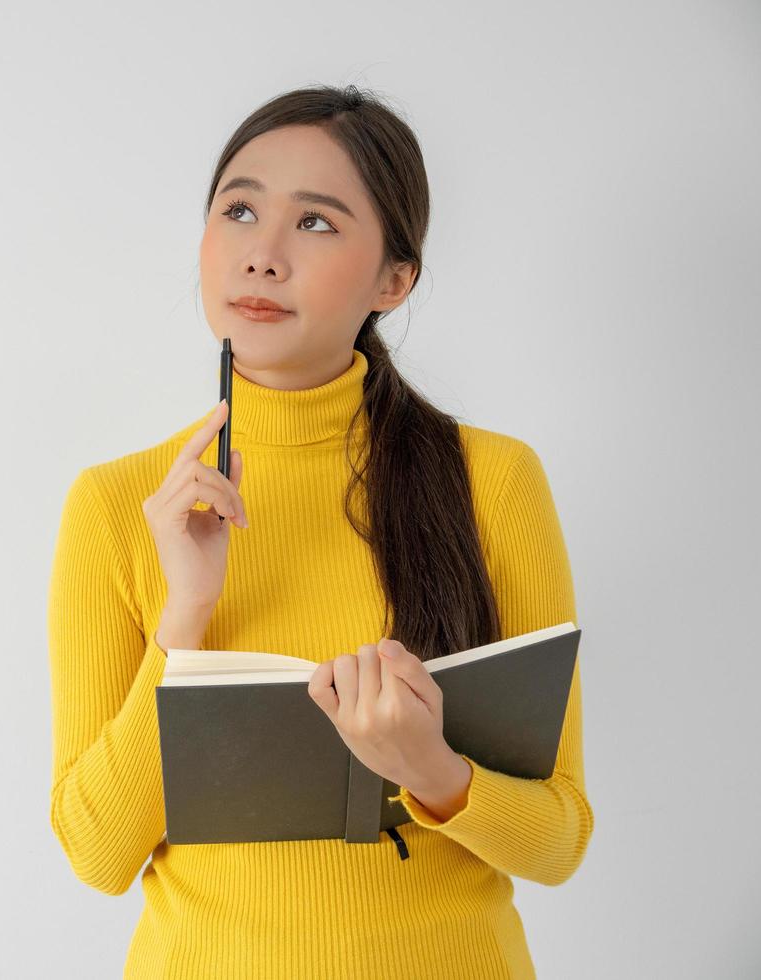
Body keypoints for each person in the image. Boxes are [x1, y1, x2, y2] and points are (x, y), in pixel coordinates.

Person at [45, 85, 593, 980]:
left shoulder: (491, 481)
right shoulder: (116, 507)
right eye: (240, 209)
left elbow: (559, 839)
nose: (261, 256)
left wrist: (430, 768)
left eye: (317, 224)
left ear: (394, 279)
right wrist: (185, 616)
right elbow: (98, 854)